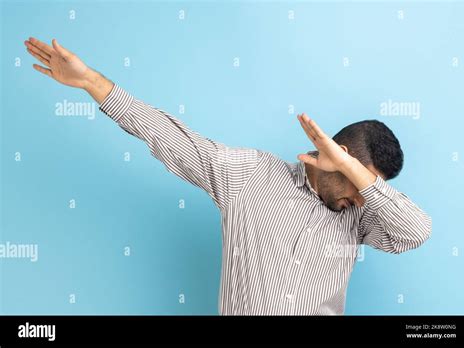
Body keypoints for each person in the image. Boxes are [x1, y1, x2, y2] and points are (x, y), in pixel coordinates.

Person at [24, 37, 432, 315]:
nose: (362, 195)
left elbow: (416, 232)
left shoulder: (358, 216)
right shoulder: (251, 175)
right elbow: (171, 138)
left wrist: (354, 175)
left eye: (366, 183)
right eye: (358, 178)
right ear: (336, 154)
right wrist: (93, 82)